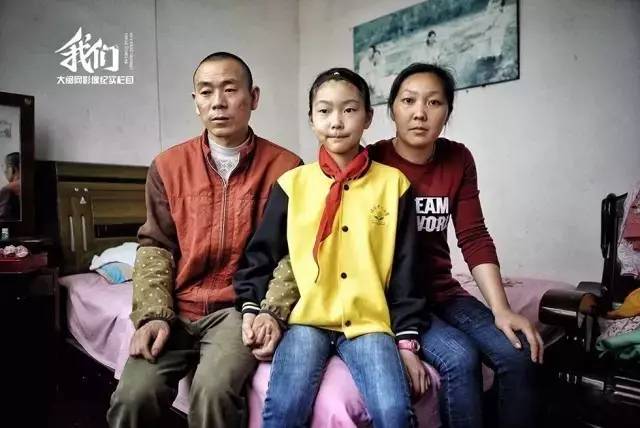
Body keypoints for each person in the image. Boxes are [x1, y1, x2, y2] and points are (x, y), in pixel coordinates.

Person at [251, 63, 543, 428]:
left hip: (433, 291)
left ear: (448, 111)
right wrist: (265, 308)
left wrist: (500, 309)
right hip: (382, 298)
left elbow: (473, 236)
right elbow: (295, 245)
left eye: (434, 102)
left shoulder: (448, 162)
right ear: (391, 110)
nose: (420, 113)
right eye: (408, 101)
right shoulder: (362, 161)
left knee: (516, 354)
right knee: (459, 357)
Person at [107, 52, 301, 428]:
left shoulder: (287, 168)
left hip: (238, 308)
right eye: (206, 91)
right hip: (176, 307)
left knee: (213, 393)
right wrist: (152, 315)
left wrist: (272, 312)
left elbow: (294, 252)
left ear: (254, 97)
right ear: (195, 101)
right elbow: (155, 246)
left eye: (230, 89)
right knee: (133, 396)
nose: (218, 102)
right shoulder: (167, 166)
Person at [234, 68, 427, 428]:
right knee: (283, 410)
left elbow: (406, 271)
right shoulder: (291, 184)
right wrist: (253, 308)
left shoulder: (394, 185)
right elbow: (260, 256)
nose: (336, 122)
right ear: (311, 119)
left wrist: (406, 342)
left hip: (369, 323)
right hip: (306, 321)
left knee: (395, 412)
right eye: (324, 111)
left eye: (349, 110)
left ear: (368, 117)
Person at [0, 152, 20, 220]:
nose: (5, 171)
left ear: (13, 169)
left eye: (7, 167)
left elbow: (2, 219)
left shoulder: (8, 189)